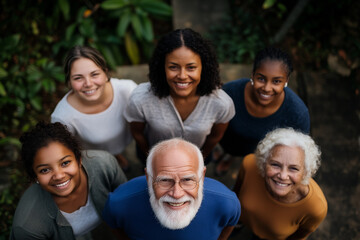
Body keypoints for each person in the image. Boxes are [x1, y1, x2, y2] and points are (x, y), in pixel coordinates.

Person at [124, 28, 235, 165]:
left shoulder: (221, 103)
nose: (182, 76)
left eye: (191, 67)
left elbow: (215, 137)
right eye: (173, 67)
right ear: (162, 67)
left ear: (203, 68)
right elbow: (138, 134)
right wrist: (151, 160)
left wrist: (200, 161)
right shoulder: (140, 99)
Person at [103, 138, 241, 240]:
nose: (177, 194)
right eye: (164, 180)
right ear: (148, 177)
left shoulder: (227, 203)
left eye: (187, 180)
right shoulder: (118, 204)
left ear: (202, 175)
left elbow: (226, 231)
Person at [10, 122, 127, 240]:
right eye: (45, 170)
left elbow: (129, 205)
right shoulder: (28, 227)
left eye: (65, 163)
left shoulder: (104, 164)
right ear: (35, 177)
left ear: (79, 159)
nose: (59, 176)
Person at [216, 46, 310, 175]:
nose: (267, 88)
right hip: (226, 139)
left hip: (256, 152)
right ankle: (225, 155)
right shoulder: (230, 92)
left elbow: (299, 150)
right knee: (226, 149)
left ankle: (229, 158)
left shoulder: (297, 114)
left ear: (286, 81)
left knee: (245, 159)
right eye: (261, 78)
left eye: (276, 81)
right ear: (252, 75)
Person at [51, 45, 137, 170]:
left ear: (105, 72)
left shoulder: (127, 90)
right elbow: (65, 154)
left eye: (94, 74)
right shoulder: (62, 117)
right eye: (78, 78)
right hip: (94, 156)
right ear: (69, 81)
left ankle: (117, 155)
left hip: (124, 142)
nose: (88, 84)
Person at [234, 128, 327, 240]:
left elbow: (298, 237)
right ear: (264, 162)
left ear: (305, 172)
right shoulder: (249, 165)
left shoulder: (316, 207)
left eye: (293, 168)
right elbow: (235, 194)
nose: (283, 176)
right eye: (275, 165)